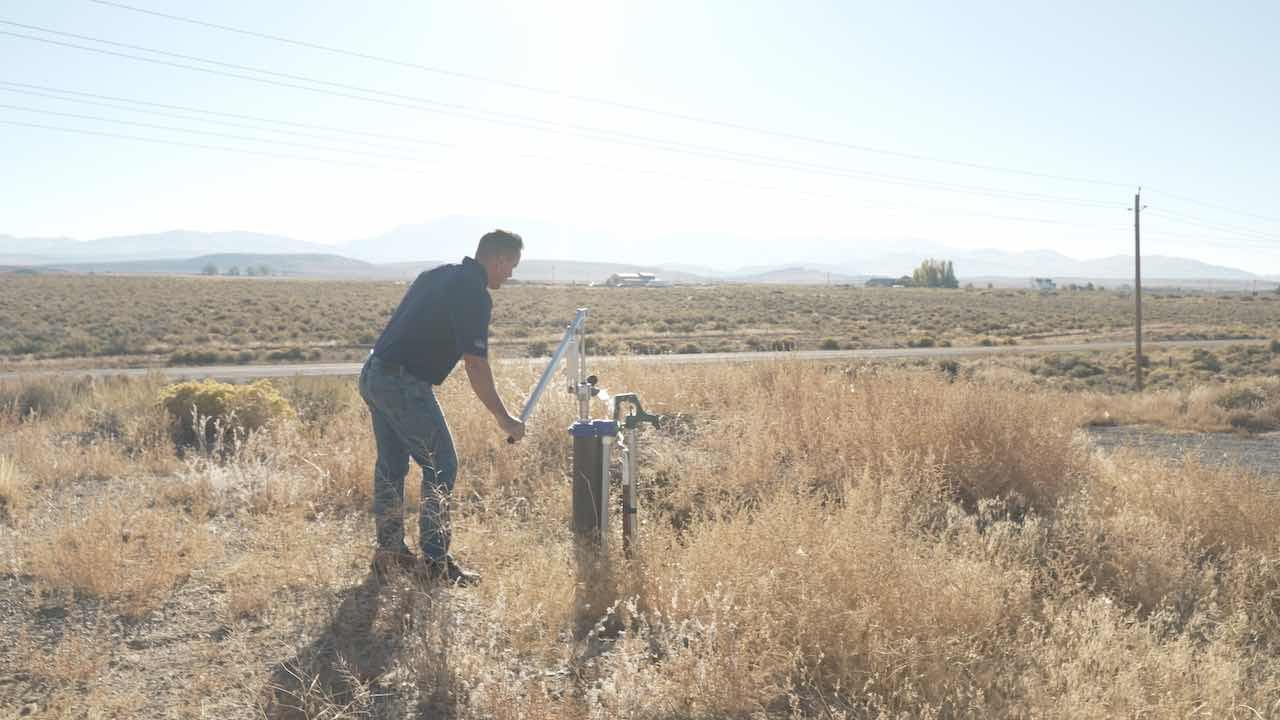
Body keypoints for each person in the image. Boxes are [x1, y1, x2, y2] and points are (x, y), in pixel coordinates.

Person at [358, 229, 526, 585]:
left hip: (374, 374)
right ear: (498, 259)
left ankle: (389, 554)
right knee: (441, 466)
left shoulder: (436, 275)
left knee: (391, 466)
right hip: (403, 385)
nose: (511, 274)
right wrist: (504, 418)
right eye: (511, 265)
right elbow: (476, 364)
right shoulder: (474, 294)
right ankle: (435, 564)